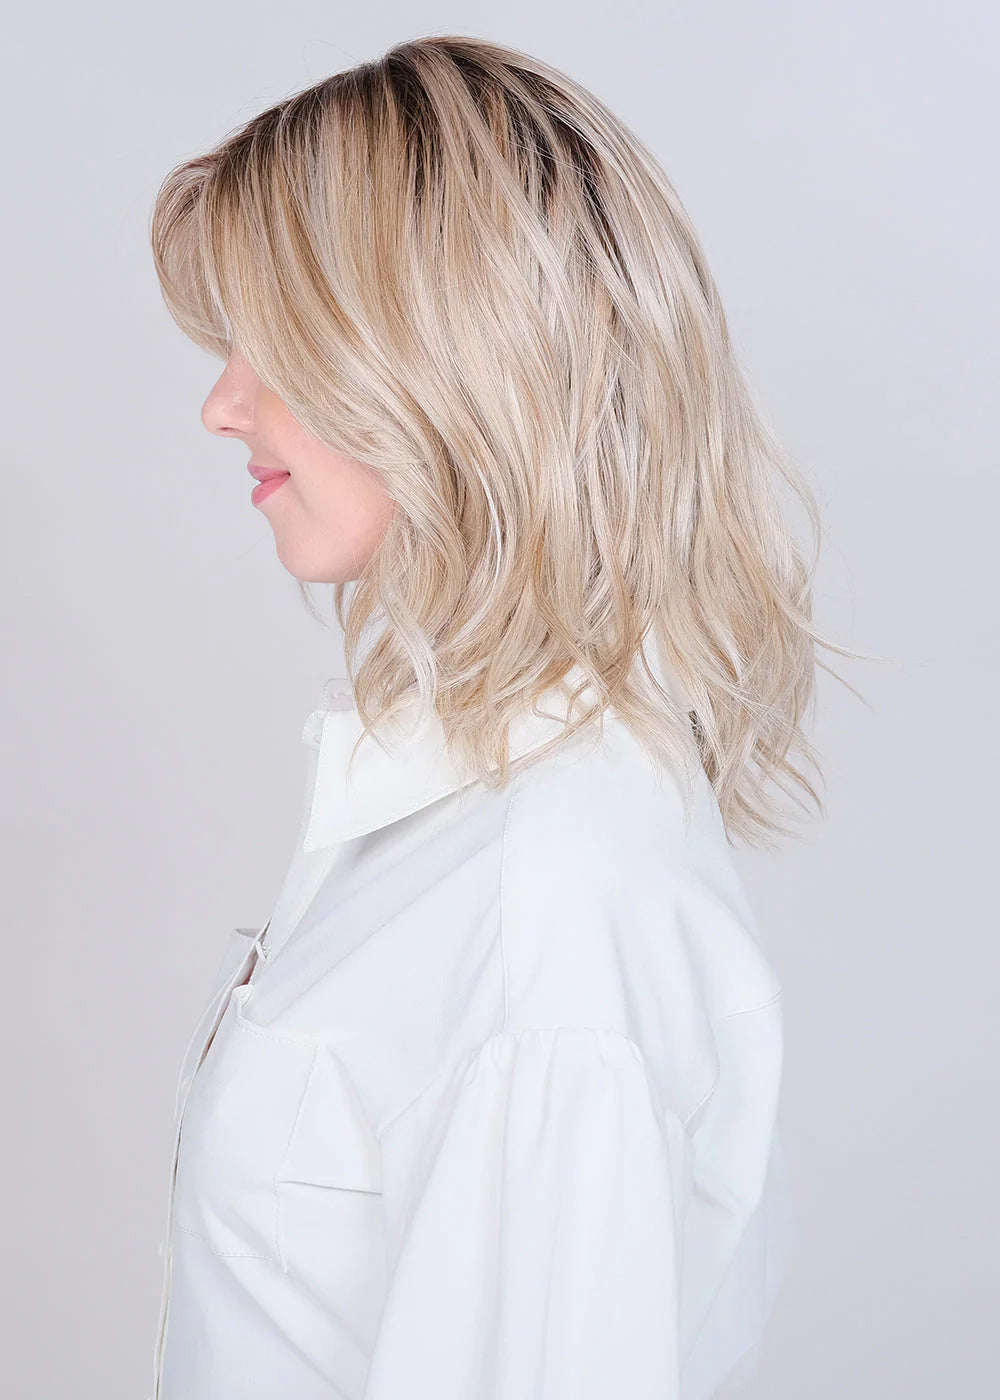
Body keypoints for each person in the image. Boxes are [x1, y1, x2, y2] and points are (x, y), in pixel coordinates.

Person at [148, 33, 841, 1400]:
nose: (222, 405)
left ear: (445, 354)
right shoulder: (462, 822)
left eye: (274, 344)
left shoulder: (548, 916)